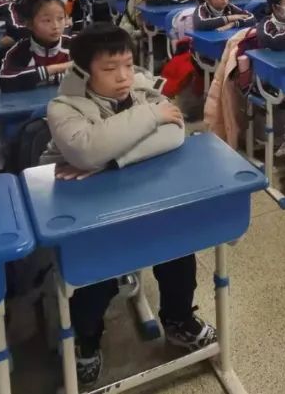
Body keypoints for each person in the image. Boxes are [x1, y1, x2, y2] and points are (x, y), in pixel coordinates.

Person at [41, 24, 216, 386]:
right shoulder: (62, 106)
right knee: (95, 273)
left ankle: (178, 319)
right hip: (89, 213)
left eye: (127, 64)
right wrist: (151, 118)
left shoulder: (140, 87)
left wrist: (111, 160)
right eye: (110, 68)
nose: (123, 76)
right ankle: (87, 339)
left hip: (143, 197)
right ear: (83, 71)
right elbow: (86, 149)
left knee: (178, 249)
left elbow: (175, 132)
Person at [0, 0, 73, 91]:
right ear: (29, 24)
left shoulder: (75, 45)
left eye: (60, 18)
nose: (56, 26)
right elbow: (5, 81)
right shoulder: (20, 51)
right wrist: (56, 69)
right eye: (47, 20)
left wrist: (52, 78)